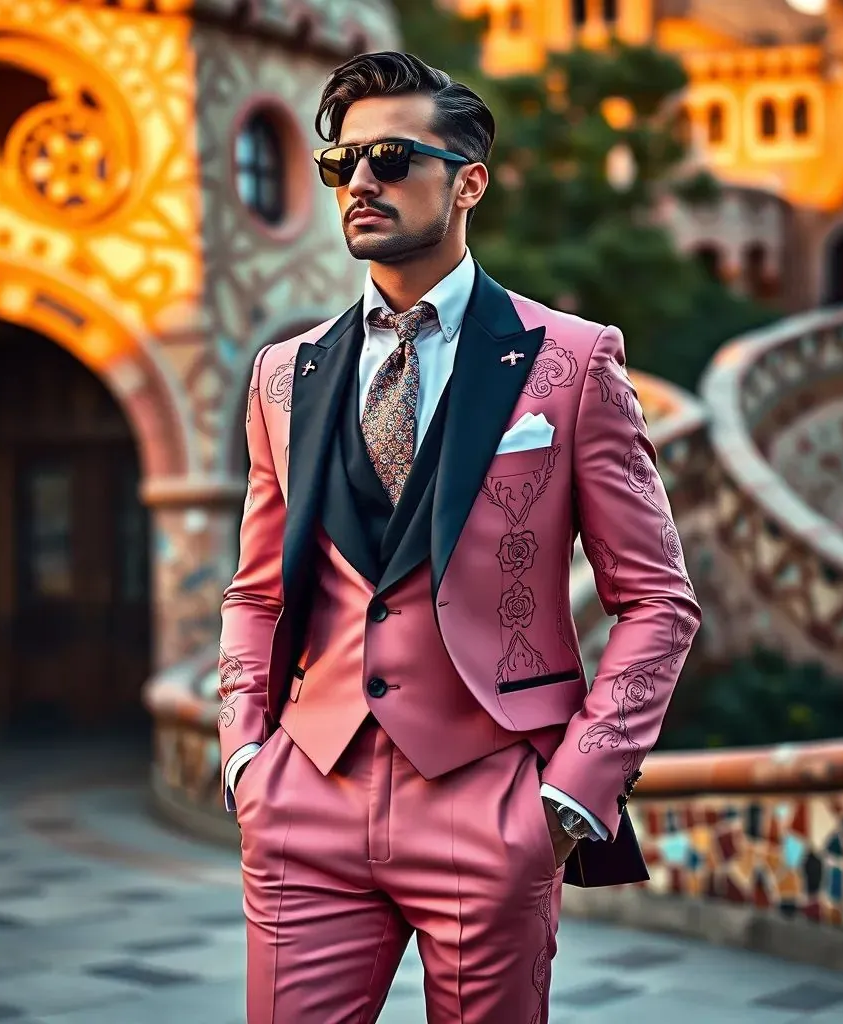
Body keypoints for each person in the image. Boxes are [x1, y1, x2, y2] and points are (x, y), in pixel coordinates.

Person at [217, 50, 701, 1024]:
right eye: (339, 163)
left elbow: (655, 601)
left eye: (392, 158)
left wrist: (570, 796)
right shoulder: (282, 374)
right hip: (305, 796)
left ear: (467, 181)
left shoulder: (569, 361)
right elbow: (258, 589)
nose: (360, 181)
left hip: (491, 802)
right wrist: (244, 758)